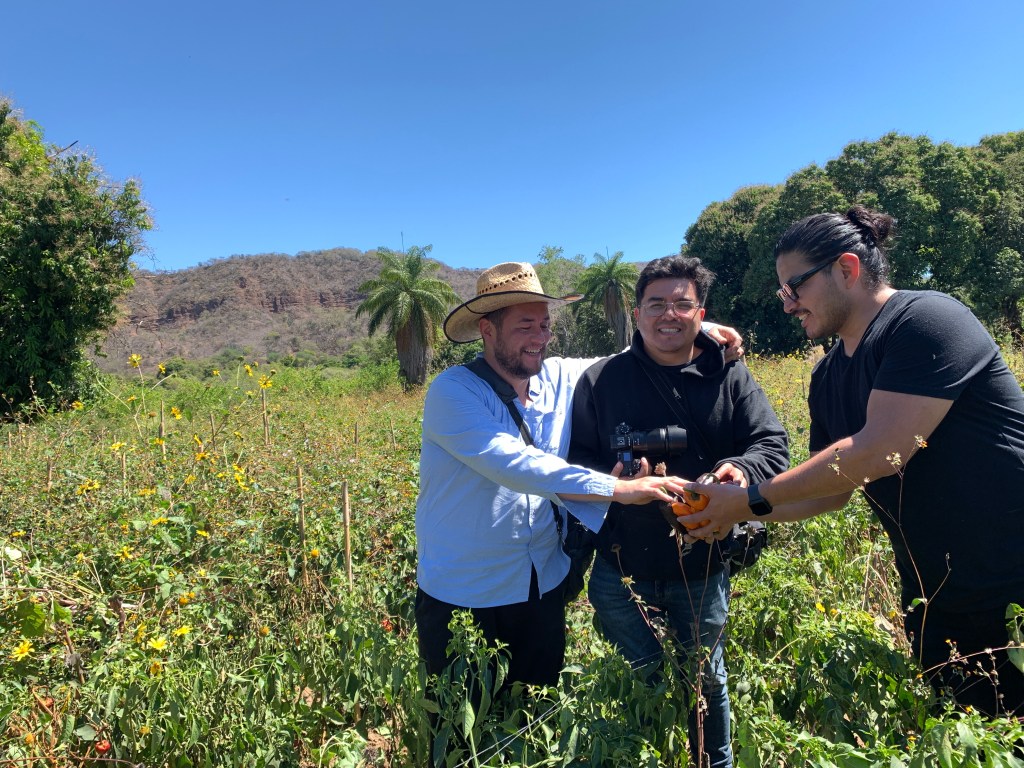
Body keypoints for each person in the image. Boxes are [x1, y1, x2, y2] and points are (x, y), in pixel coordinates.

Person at [684, 206, 1024, 718]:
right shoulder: (826, 378)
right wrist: (734, 507)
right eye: (782, 293)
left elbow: (876, 451)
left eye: (794, 288)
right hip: (936, 598)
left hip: (1014, 585)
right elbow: (830, 490)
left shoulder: (925, 320)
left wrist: (750, 498)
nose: (787, 305)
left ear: (847, 269)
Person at [415, 261, 743, 690]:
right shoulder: (453, 391)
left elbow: (633, 355)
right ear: (487, 330)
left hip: (543, 583)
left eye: (545, 325)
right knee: (461, 731)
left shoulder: (559, 376)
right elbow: (513, 463)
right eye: (525, 326)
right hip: (466, 591)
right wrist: (618, 489)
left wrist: (689, 325)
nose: (540, 338)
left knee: (537, 715)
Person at [567, 255, 789, 768]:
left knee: (707, 678)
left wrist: (736, 468)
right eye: (656, 304)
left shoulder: (729, 374)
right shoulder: (600, 380)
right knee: (637, 672)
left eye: (682, 304)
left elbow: (772, 445)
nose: (669, 315)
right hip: (617, 571)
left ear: (701, 311)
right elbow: (576, 461)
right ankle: (648, 754)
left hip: (702, 565)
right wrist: (618, 483)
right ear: (636, 311)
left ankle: (716, 761)